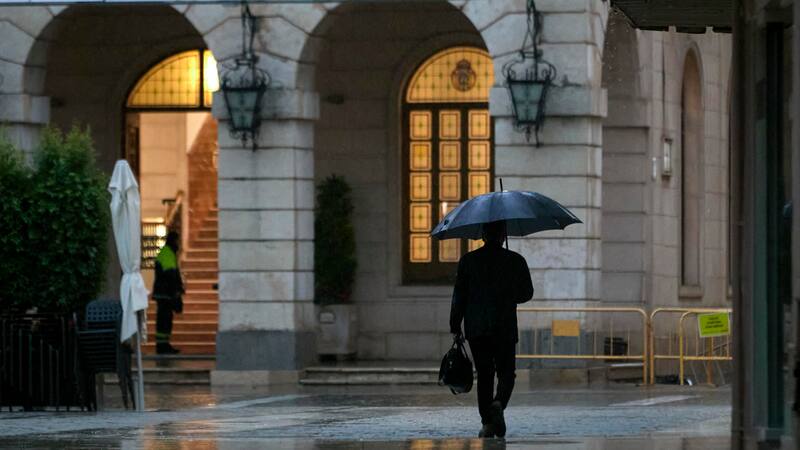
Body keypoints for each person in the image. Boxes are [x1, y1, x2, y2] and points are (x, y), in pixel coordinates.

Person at [449, 220, 534, 438]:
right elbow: (527, 294)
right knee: (507, 373)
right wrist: (508, 293)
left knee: (485, 375)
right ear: (503, 236)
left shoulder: (468, 261)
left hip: (477, 328)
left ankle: (487, 423)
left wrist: (455, 323)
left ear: (484, 236)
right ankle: (498, 403)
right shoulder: (515, 261)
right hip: (504, 326)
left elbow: (459, 296)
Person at [152, 231, 184, 355]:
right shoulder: (167, 253)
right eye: (178, 241)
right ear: (173, 241)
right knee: (164, 320)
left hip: (164, 294)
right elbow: (171, 275)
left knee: (165, 319)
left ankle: (164, 344)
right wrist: (176, 293)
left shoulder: (168, 252)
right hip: (165, 294)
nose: (179, 244)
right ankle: (162, 346)